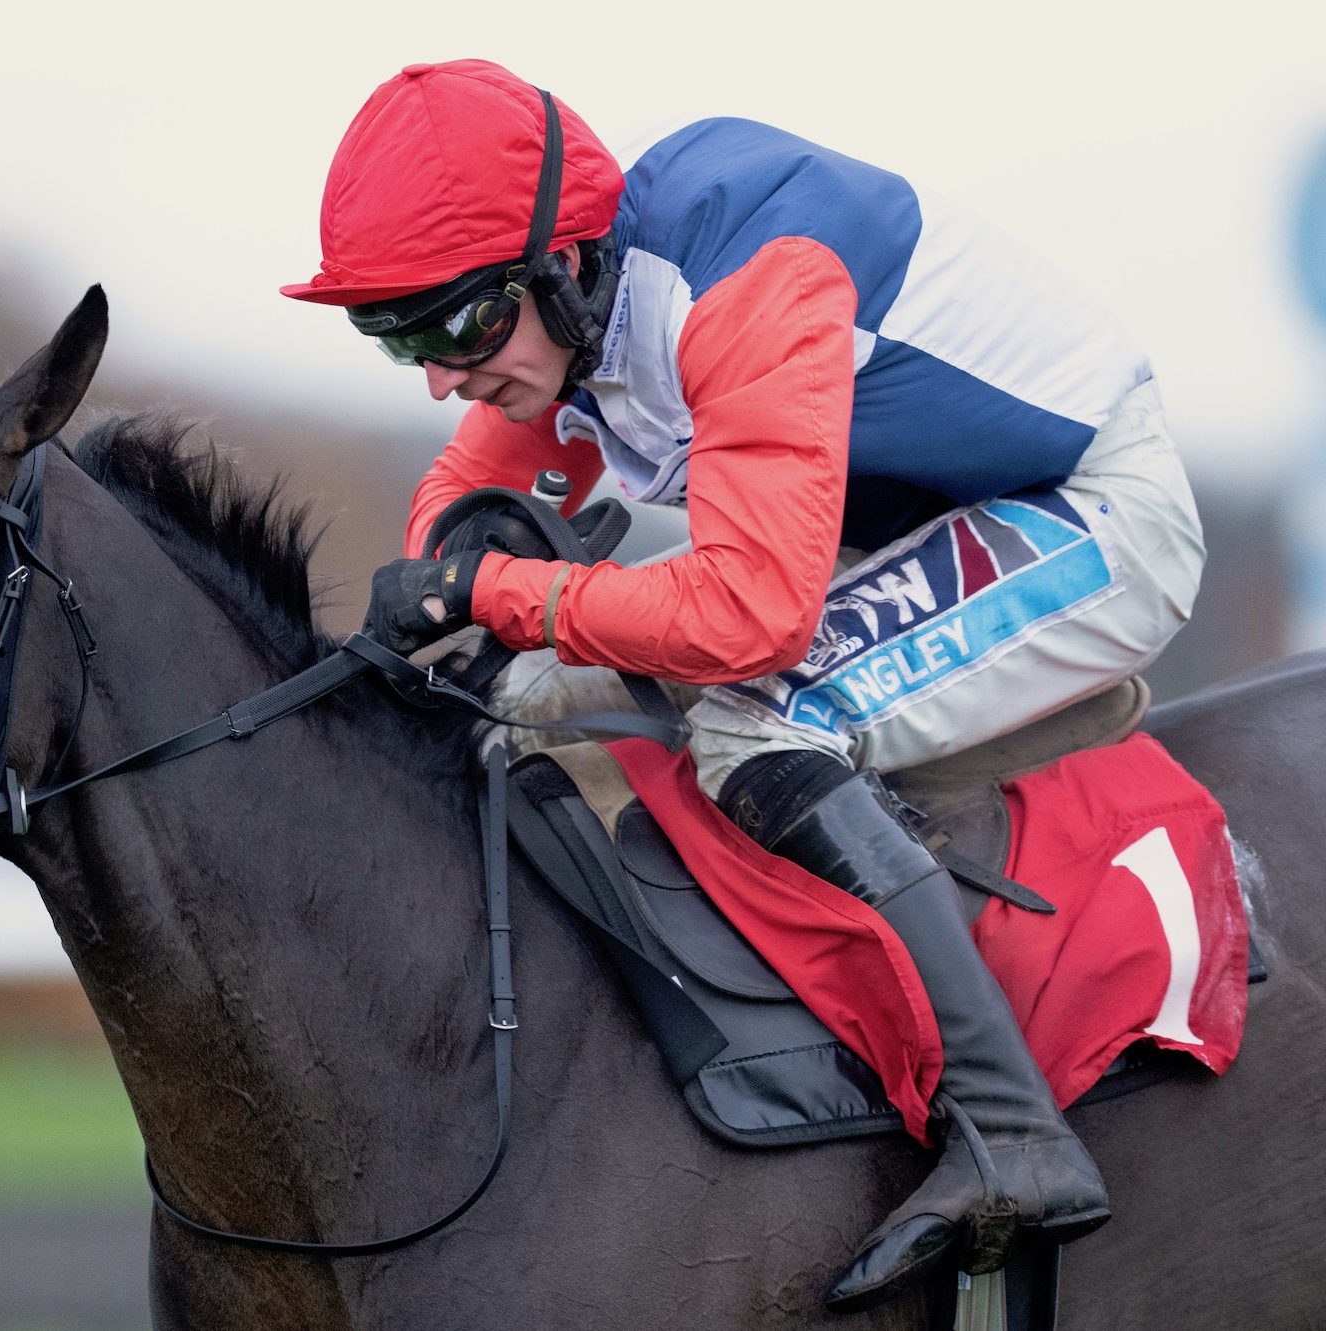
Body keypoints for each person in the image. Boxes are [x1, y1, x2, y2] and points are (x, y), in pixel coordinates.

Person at [282, 59, 1204, 1311]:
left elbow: (751, 617)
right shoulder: (574, 311)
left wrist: (497, 594)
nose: (440, 372)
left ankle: (1014, 1133)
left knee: (756, 716)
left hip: (1089, 511)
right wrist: (460, 566)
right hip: (919, 531)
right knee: (534, 689)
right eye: (395, 337)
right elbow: (469, 493)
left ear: (562, 266)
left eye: (455, 328)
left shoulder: (741, 279)